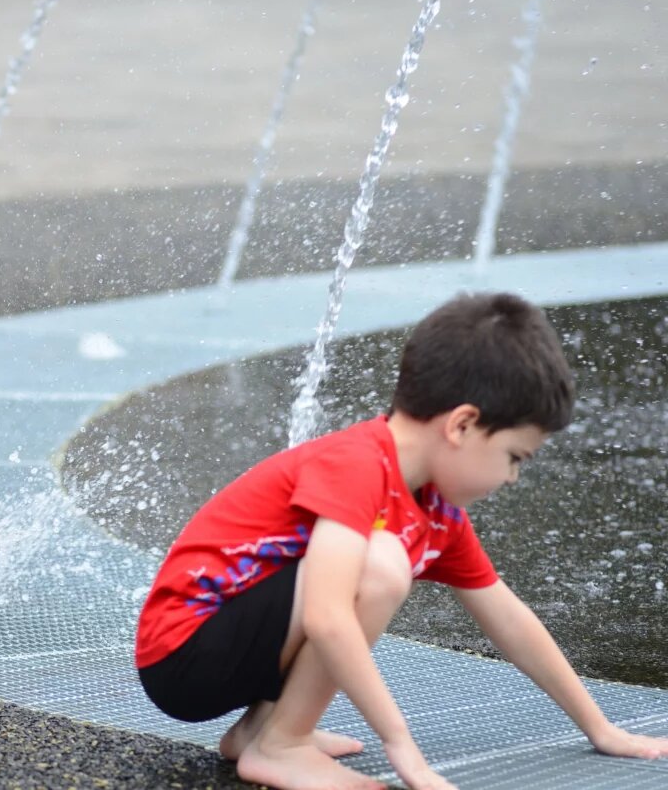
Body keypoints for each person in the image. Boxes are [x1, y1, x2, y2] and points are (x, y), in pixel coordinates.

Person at [135, 292, 668, 790]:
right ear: (462, 425)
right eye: (514, 457)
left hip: (233, 648)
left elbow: (510, 621)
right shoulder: (357, 465)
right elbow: (325, 616)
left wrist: (602, 729)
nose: (512, 478)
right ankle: (282, 745)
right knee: (381, 563)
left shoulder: (435, 509)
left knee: (378, 560)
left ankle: (262, 731)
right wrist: (401, 745)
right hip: (184, 653)